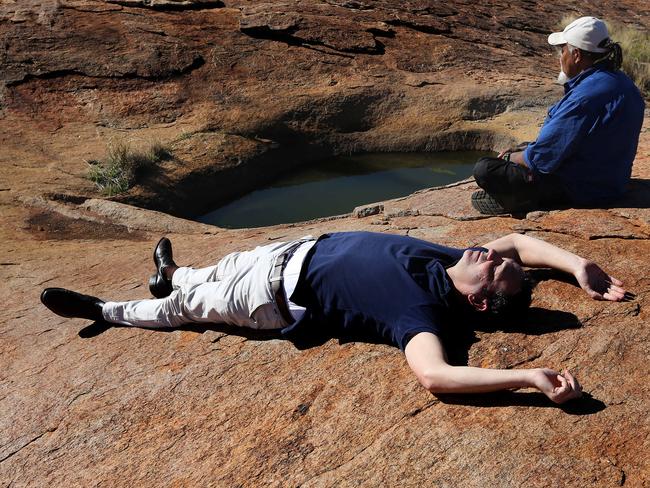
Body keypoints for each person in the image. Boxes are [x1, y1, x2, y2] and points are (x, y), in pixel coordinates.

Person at [41, 231, 627, 404]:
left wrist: (526, 378)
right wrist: (579, 266)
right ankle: (175, 270)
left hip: (269, 297)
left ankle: (106, 311)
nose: (490, 255)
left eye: (494, 269)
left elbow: (437, 375)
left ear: (480, 301)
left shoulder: (423, 313)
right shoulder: (456, 263)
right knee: (209, 272)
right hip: (289, 250)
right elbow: (521, 242)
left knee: (182, 311)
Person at [471, 16, 645, 215]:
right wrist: (527, 148)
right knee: (524, 151)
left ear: (577, 55)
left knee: (485, 168)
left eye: (562, 50)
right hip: (613, 183)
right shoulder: (621, 81)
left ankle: (521, 198)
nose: (560, 57)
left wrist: (511, 158)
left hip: (580, 189)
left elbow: (542, 158)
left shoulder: (584, 96)